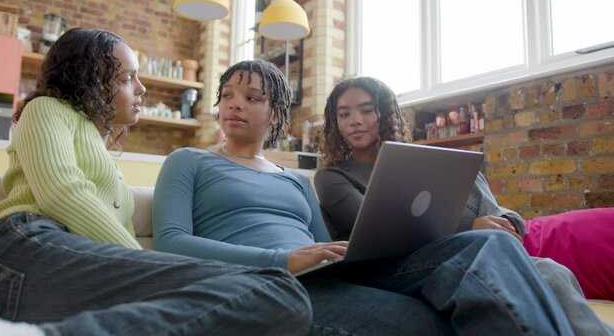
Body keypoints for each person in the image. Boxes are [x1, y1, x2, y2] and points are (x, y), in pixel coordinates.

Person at [153, 60, 575, 335]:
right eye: (227, 95)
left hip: (329, 277)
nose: (235, 105)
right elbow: (171, 242)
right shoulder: (189, 160)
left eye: (252, 98)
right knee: (426, 324)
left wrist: (337, 258)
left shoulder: (297, 181)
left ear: (276, 114)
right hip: (270, 281)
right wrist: (282, 260)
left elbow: (332, 250)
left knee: (489, 243)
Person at [0, 29, 312, 336]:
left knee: (277, 296)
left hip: (58, 266)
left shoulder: (95, 143)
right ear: (89, 79)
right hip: (24, 247)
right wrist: (144, 261)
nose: (142, 89)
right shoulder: (46, 108)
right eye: (128, 78)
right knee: (275, 291)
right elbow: (63, 192)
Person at [314, 76, 614, 336]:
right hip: (389, 266)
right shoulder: (332, 177)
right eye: (344, 114)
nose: (354, 120)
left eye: (366, 110)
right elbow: (380, 224)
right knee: (488, 248)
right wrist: (471, 226)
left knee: (550, 270)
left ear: (385, 113)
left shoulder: (421, 163)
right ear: (335, 123)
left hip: (458, 249)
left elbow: (495, 212)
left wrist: (510, 223)